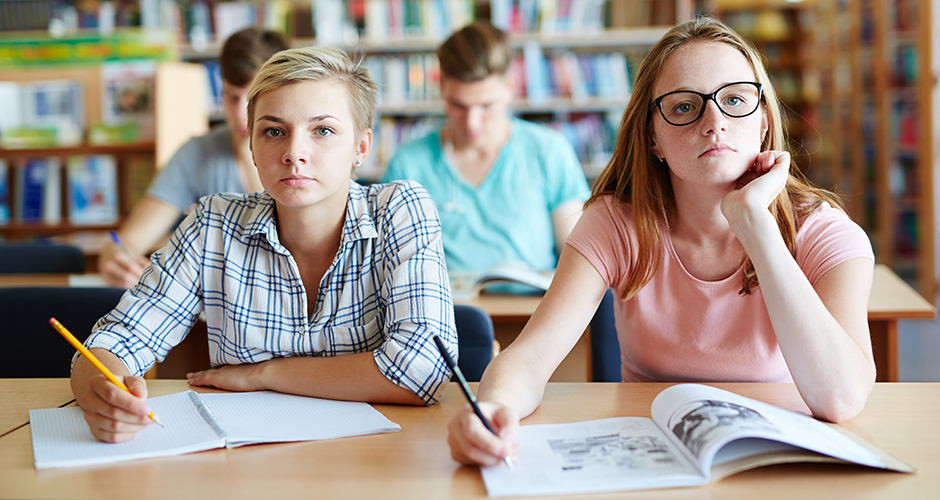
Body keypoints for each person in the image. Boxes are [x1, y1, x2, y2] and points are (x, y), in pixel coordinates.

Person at [446, 16, 877, 466]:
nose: (715, 122)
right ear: (653, 137)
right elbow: (530, 358)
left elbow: (841, 399)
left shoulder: (825, 232)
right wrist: (494, 407)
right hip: (649, 460)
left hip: (773, 462)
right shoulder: (615, 224)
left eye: (734, 100)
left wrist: (755, 224)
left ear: (764, 121)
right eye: (685, 107)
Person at [71, 46, 456, 443]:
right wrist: (103, 389)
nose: (294, 154)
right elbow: (113, 342)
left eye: (322, 131)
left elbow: (422, 371)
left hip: (377, 459)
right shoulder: (213, 224)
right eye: (274, 131)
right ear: (252, 145)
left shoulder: (400, 209)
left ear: (361, 147)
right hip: (246, 463)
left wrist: (265, 372)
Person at [380, 21, 591, 273]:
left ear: (509, 89)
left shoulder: (548, 150)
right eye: (458, 105)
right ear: (441, 88)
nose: (472, 122)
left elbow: (578, 256)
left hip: (533, 308)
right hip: (444, 310)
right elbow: (388, 265)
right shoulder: (408, 164)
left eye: (486, 105)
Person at [98, 28, 291, 288]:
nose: (239, 113)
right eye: (232, 97)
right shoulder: (196, 153)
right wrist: (117, 261)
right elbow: (126, 242)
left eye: (252, 99)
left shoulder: (302, 153)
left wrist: (249, 151)